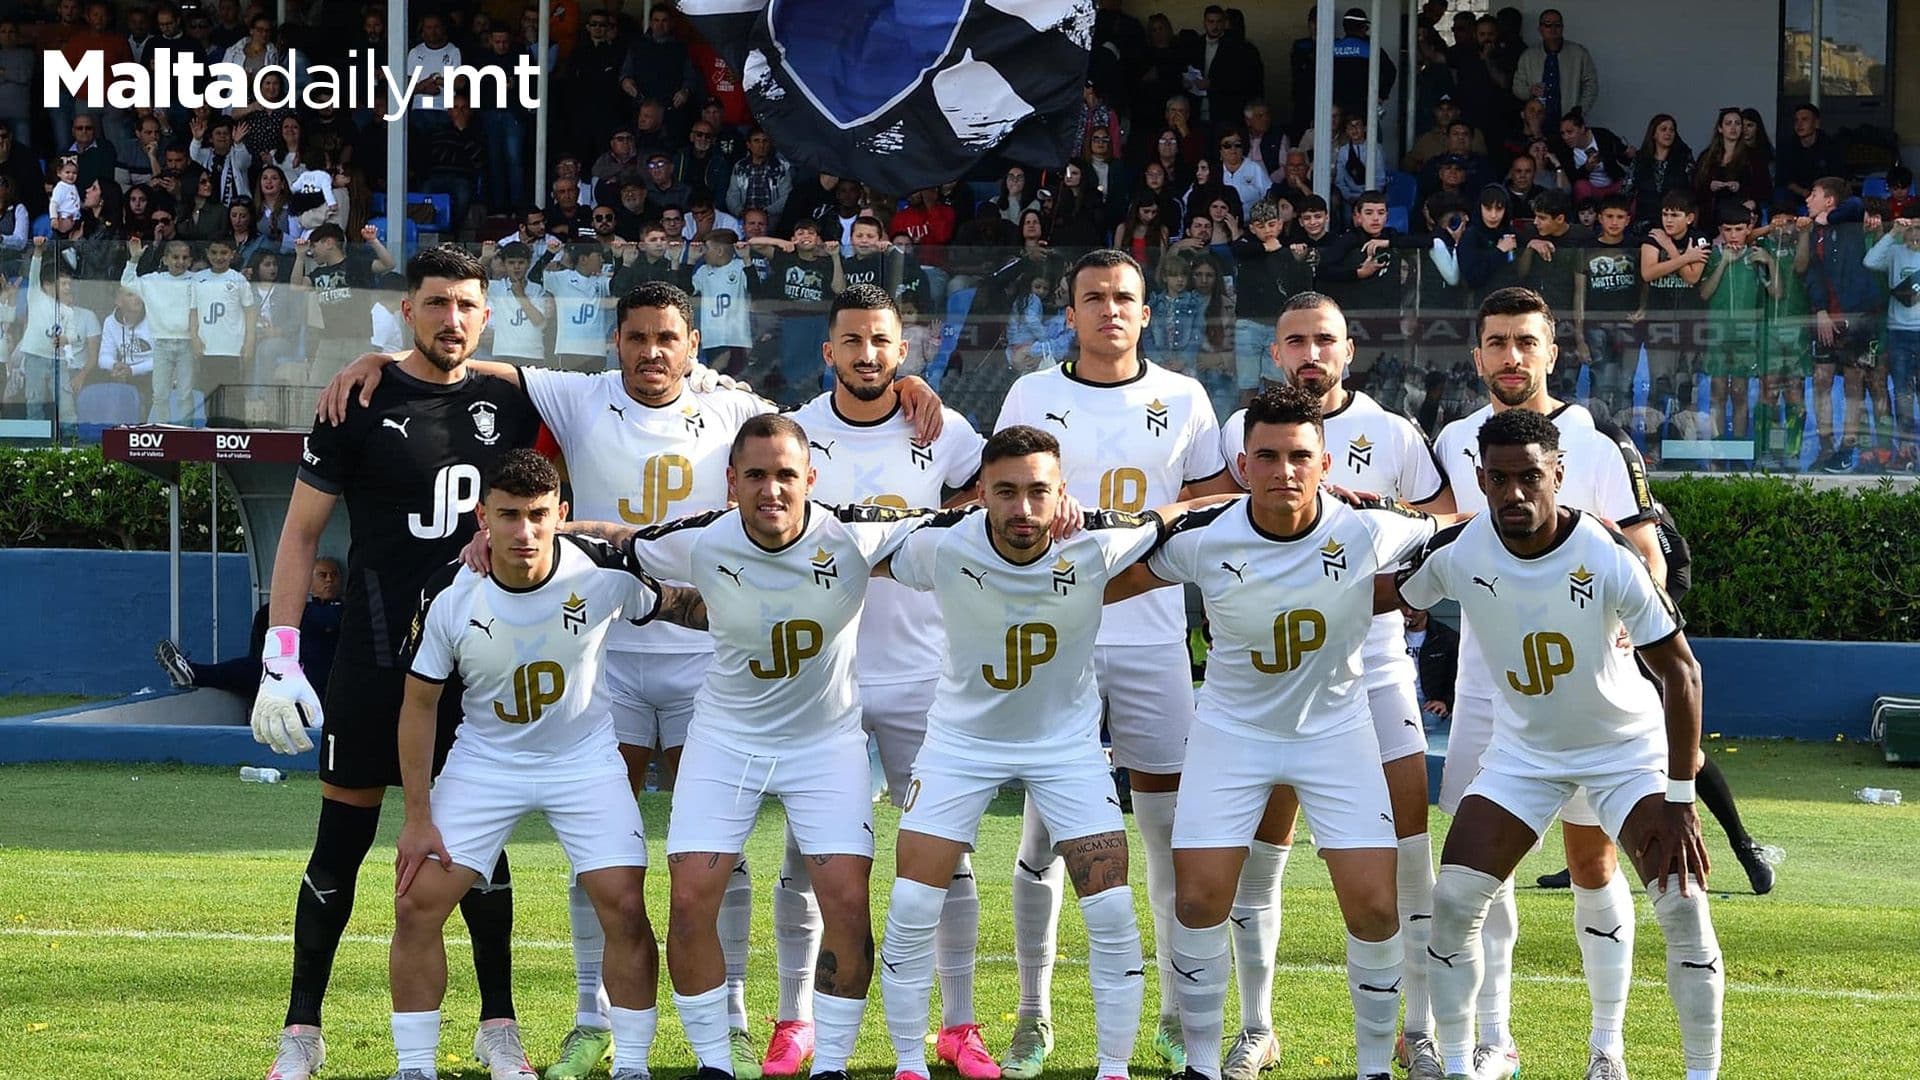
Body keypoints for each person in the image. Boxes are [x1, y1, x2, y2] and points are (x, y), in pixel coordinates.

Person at [248, 245, 539, 1080]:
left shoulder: (510, 401)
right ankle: (301, 1031)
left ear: (485, 318)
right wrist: (282, 655)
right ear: (407, 310)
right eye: (437, 302)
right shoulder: (357, 400)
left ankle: (498, 1026)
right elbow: (302, 535)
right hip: (375, 661)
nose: (452, 318)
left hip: (478, 667)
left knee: (478, 848)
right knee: (340, 843)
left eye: (467, 306)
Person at [569, 415, 927, 1080]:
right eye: (756, 475)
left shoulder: (853, 530)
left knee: (846, 898)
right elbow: (620, 544)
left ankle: (834, 1065)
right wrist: (525, 534)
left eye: (786, 474)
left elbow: (965, 526)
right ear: (731, 482)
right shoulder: (703, 536)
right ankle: (713, 1062)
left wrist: (1057, 515)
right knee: (691, 895)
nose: (772, 489)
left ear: (810, 480)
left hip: (825, 742)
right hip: (727, 738)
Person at [1108, 383, 1440, 1080]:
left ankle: (1376, 1066)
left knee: (1378, 906)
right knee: (1197, 899)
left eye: (1299, 456)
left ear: (1325, 464)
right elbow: (1113, 575)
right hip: (1233, 734)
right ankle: (1201, 1064)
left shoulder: (1370, 527)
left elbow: (1467, 536)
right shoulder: (1205, 535)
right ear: (1243, 461)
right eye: (1268, 456)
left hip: (1336, 734)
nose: (1284, 470)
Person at [1398, 407, 1724, 1080]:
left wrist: (1681, 796)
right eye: (1500, 479)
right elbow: (1392, 593)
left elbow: (1682, 671)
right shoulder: (1457, 551)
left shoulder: (1608, 554)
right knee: (1454, 901)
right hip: (1524, 757)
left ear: (1559, 474)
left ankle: (1686, 1070)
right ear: (1481, 479)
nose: (1516, 493)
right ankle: (1459, 1066)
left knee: (1684, 907)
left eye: (1532, 477)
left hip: (1623, 752)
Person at [877, 426, 1203, 1080]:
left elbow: (1183, 512)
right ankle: (908, 1064)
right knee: (912, 904)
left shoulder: (1096, 546)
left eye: (1038, 493)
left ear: (1062, 497)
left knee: (1110, 906)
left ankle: (1113, 1069)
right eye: (1006, 493)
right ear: (981, 495)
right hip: (961, 745)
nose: (1023, 509)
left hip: (1066, 750)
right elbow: (859, 540)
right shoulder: (941, 549)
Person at [993, 249, 1236, 1077]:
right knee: (1045, 829)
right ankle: (1033, 1015)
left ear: (1145, 310)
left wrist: (1161, 513)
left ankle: (1172, 1011)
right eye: (1092, 297)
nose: (1108, 309)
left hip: (1153, 635)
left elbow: (1214, 504)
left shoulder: (1185, 395)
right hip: (1054, 636)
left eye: (1123, 297)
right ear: (1071, 312)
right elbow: (996, 493)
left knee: (1166, 835)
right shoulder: (1033, 394)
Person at [389, 449, 708, 1080]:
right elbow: (419, 704)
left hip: (583, 760)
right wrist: (417, 817)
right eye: (508, 515)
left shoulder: (601, 571)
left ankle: (634, 1066)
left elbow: (681, 605)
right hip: (487, 758)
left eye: (538, 515)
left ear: (562, 514)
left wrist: (762, 607)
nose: (524, 532)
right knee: (417, 903)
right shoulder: (449, 593)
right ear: (483, 518)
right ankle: (415, 1067)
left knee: (622, 904)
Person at [1429, 286, 1669, 1080]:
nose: (1511, 357)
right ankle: (1494, 1040)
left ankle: (1607, 1045)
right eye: (1496, 342)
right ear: (1478, 356)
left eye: (1525, 342)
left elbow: (1644, 551)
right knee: (1474, 871)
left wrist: (1631, 628)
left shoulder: (1598, 444)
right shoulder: (1457, 439)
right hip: (1485, 684)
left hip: (1580, 694)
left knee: (1591, 860)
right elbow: (1434, 533)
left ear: (1551, 351)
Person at [1216, 296, 1458, 1080]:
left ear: (1349, 350)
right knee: (1262, 856)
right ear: (1276, 352)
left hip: (1376, 663)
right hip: (1270, 675)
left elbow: (1442, 516)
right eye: (1296, 341)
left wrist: (1371, 508)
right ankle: (1256, 1027)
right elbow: (1222, 521)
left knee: (1410, 856)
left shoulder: (1391, 431)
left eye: (1325, 339)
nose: (1311, 352)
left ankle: (1414, 1029)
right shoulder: (1241, 429)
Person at [782, 285, 989, 1077]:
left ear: (904, 353)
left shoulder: (945, 430)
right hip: (822, 674)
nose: (868, 355)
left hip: (921, 671)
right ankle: (792, 1019)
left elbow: (994, 494)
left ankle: (959, 1024)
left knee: (948, 853)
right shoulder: (796, 431)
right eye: (852, 342)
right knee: (807, 853)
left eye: (882, 342)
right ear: (828, 351)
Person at [156, 559, 344, 701]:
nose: (329, 580)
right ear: (309, 581)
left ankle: (194, 673)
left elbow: (329, 621)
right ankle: (191, 673)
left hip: (321, 680)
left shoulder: (344, 610)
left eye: (334, 575)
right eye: (323, 575)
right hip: (282, 674)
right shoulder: (289, 609)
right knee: (251, 667)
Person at [1799, 176, 1882, 473]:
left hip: (1857, 316)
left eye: (1814, 194)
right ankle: (1825, 447)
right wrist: (1820, 310)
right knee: (1821, 378)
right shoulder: (1813, 231)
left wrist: (1830, 216)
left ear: (1830, 200)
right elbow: (1811, 273)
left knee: (1853, 381)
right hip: (1825, 317)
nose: (1808, 199)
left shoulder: (1852, 221)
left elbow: (1857, 203)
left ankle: (1848, 447)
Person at [1697, 200, 1777, 453]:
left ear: (1748, 228)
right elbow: (1704, 294)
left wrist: (1770, 263)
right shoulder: (1712, 256)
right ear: (1721, 230)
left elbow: (1776, 293)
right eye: (1728, 230)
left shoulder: (1756, 257)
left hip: (1746, 335)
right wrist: (1723, 263)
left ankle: (1740, 449)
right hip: (1718, 335)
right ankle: (1719, 449)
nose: (1733, 235)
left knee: (1740, 392)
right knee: (1718, 391)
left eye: (1739, 229)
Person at [1863, 201, 1920, 468]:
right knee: (1902, 393)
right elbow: (1870, 261)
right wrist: (1893, 233)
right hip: (1899, 332)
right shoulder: (1895, 251)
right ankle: (1907, 448)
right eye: (1911, 228)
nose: (1915, 235)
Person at [1509, 8, 1597, 127]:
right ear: (1540, 29)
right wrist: (1530, 91)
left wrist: (1579, 111)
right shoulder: (1528, 56)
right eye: (1548, 25)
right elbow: (1517, 88)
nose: (1553, 29)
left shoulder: (1579, 53)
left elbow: (1591, 85)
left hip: (1569, 122)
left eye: (1557, 25)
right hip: (1538, 123)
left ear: (1562, 28)